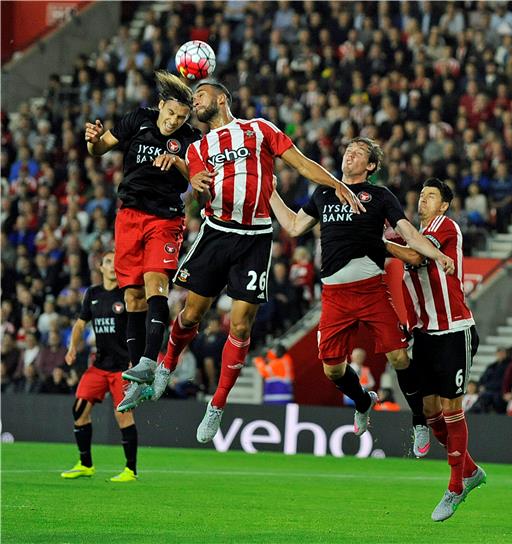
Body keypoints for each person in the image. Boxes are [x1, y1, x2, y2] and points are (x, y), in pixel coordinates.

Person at [120, 80, 364, 443]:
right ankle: (164, 367)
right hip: (217, 232)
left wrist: (337, 185)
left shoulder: (259, 129)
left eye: (199, 95)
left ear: (220, 98)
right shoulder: (198, 147)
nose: (194, 101)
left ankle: (217, 404)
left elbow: (300, 162)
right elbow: (194, 190)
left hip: (255, 238)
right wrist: (193, 182)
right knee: (190, 314)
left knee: (242, 326)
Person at [270, 138, 455, 450]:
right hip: (334, 296)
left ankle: (420, 421)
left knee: (398, 356)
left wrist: (437, 256)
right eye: (347, 150)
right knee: (332, 369)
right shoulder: (324, 192)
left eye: (358, 152)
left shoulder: (380, 196)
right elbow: (293, 226)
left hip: (370, 290)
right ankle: (362, 400)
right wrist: (271, 192)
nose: (349, 154)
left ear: (370, 166)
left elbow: (408, 233)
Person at [84, 71, 201, 412]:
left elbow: (199, 180)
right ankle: (137, 373)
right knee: (132, 296)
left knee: (155, 285)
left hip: (164, 218)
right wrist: (92, 140)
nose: (175, 121)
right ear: (161, 105)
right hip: (129, 216)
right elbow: (99, 148)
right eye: (171, 114)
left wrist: (178, 162)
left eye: (181, 117)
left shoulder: (190, 139)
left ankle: (151, 359)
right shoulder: (137, 119)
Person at [385, 178, 485, 522]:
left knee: (451, 408)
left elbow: (413, 254)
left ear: (443, 205)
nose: (423, 200)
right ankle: (469, 471)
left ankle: (456, 486)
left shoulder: (445, 227)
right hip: (425, 333)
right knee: (430, 412)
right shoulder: (409, 233)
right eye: (422, 195)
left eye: (431, 196)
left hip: (455, 330)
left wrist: (380, 243)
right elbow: (396, 244)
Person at [60, 251, 139, 483]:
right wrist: (72, 347)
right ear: (100, 267)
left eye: (116, 262)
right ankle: (86, 464)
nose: (113, 266)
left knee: (122, 415)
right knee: (79, 410)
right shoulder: (92, 294)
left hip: (122, 367)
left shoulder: (128, 293)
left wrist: (137, 357)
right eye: (107, 262)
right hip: (100, 365)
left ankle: (130, 470)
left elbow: (137, 328)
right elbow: (80, 324)